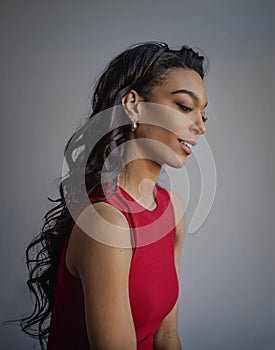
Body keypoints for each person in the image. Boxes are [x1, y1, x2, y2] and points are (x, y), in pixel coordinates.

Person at [19, 41, 208, 350]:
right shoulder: (107, 222)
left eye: (204, 115)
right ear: (133, 105)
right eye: (186, 107)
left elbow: (167, 336)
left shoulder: (172, 211)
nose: (199, 127)